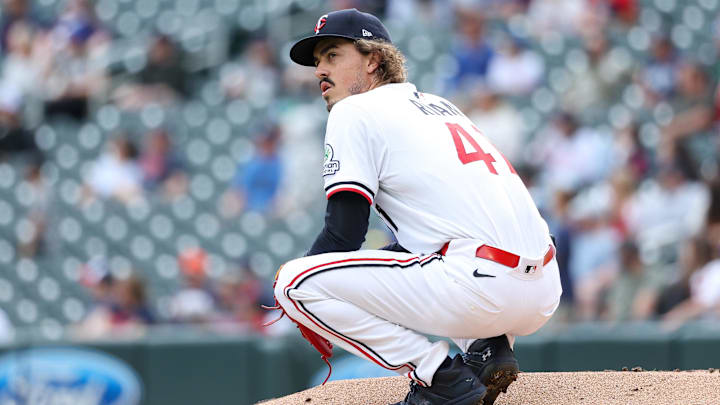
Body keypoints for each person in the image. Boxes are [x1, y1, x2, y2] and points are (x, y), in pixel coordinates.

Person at [269, 9, 562, 405]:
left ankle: (437, 376)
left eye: (333, 55)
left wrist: (310, 292)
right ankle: (488, 348)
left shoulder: (353, 110)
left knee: (292, 283)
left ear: (373, 59)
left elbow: (345, 232)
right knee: (420, 248)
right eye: (317, 62)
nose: (320, 70)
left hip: (478, 285)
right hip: (543, 287)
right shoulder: (441, 106)